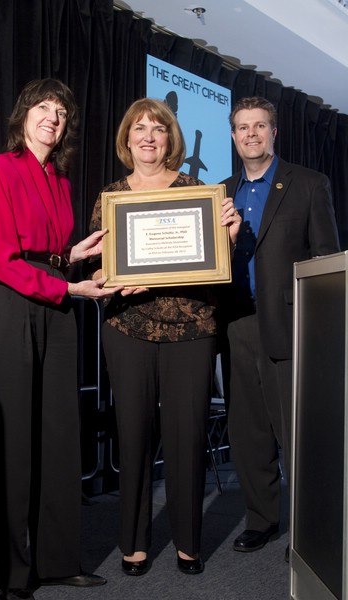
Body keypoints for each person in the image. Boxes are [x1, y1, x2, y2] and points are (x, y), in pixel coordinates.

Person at [0, 78, 123, 600]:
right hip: (9, 307)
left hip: (56, 304)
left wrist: (75, 256)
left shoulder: (58, 178)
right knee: (15, 441)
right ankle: (14, 576)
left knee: (60, 436)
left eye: (61, 113)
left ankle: (59, 562)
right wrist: (70, 286)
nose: (53, 118)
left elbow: (48, 250)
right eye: (44, 108)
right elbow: (2, 260)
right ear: (24, 115)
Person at [88, 98, 241, 576]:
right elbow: (101, 264)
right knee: (132, 435)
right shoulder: (110, 196)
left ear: (170, 138)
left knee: (186, 438)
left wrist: (229, 239)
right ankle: (133, 544)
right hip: (128, 326)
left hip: (192, 328)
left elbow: (216, 266)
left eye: (158, 128)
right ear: (127, 139)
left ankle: (188, 544)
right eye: (140, 128)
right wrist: (105, 274)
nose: (149, 136)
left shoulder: (200, 191)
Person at [220, 96, 340, 560]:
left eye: (259, 126)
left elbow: (327, 263)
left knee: (296, 434)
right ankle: (261, 520)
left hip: (290, 325)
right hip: (236, 323)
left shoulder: (309, 185)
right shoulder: (220, 192)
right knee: (248, 432)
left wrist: (320, 332)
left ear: (274, 133)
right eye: (242, 127)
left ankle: (309, 532)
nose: (251, 134)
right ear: (233, 136)